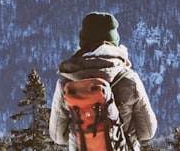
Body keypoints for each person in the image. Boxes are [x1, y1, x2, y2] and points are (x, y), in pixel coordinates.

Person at [49, 12, 157, 151]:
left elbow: (58, 136)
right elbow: (147, 131)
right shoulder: (129, 80)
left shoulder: (66, 83)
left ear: (83, 42)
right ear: (114, 41)